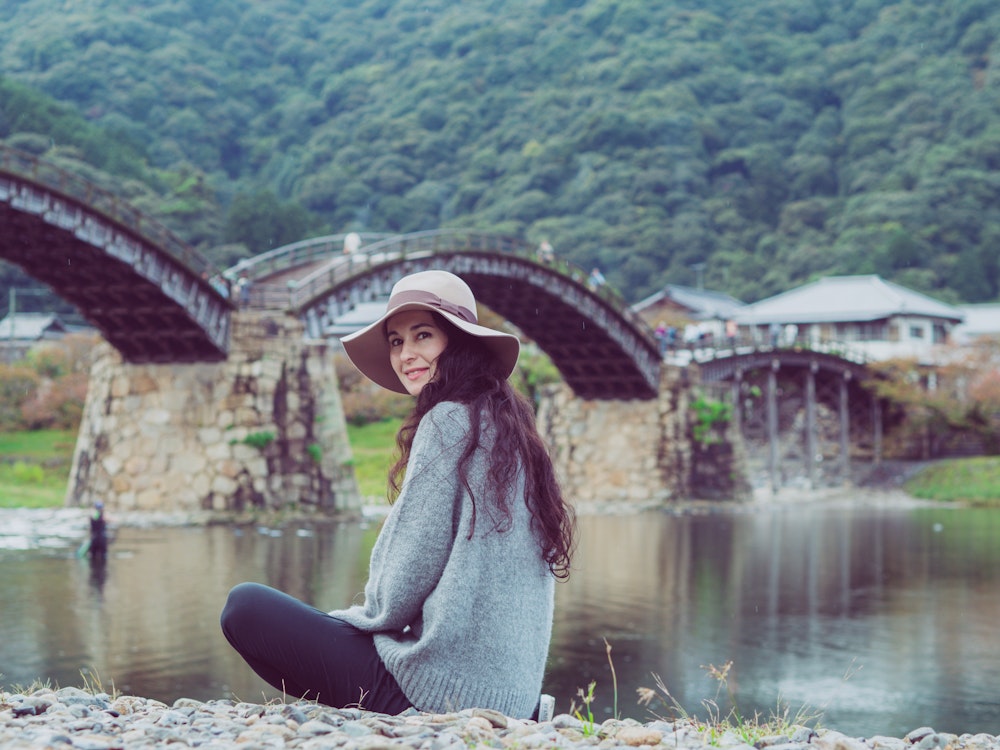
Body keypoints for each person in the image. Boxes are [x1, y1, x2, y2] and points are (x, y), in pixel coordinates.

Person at [221, 270, 575, 719]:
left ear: (460, 342)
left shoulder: (449, 422)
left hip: (438, 693)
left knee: (245, 606)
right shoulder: (513, 433)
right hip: (512, 700)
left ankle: (385, 715)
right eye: (395, 341)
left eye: (422, 336)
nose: (406, 354)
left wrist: (342, 624)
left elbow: (401, 585)